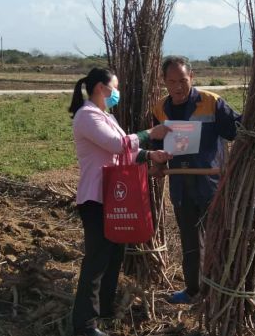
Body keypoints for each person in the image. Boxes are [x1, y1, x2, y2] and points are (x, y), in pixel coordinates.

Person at [69, 67, 172, 336]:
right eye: (115, 87)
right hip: (95, 197)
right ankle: (84, 325)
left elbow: (127, 152)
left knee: (114, 256)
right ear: (101, 88)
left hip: (114, 197)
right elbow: (117, 145)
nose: (117, 92)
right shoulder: (87, 116)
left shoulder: (106, 116)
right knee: (96, 260)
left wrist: (151, 155)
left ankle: (104, 310)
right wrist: (151, 133)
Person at [152, 56, 241, 304]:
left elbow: (236, 130)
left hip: (211, 184)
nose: (178, 86)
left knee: (218, 239)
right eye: (172, 81)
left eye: (182, 80)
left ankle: (221, 292)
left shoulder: (211, 103)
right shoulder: (160, 109)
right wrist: (157, 165)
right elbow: (157, 143)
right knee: (190, 241)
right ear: (164, 82)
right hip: (181, 185)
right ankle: (193, 290)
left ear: (192, 77)